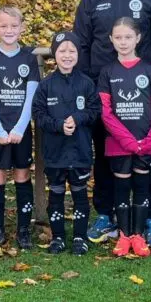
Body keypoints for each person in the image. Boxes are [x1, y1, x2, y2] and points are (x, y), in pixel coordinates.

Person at [73, 0, 151, 247]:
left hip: (143, 94)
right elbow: (82, 45)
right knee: (105, 156)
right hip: (105, 93)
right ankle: (106, 215)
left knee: (145, 153)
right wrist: (88, 91)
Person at [97, 17, 151, 258]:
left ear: (138, 38)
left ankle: (138, 234)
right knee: (121, 186)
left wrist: (150, 140)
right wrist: (127, 140)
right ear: (111, 40)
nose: (123, 42)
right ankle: (124, 234)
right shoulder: (107, 72)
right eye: (118, 37)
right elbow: (105, 112)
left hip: (145, 144)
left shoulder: (149, 71)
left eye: (128, 37)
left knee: (142, 187)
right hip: (118, 143)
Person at [32, 31, 100, 256]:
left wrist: (78, 119)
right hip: (55, 152)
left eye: (72, 51)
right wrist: (58, 124)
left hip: (79, 151)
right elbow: (39, 115)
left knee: (80, 193)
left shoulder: (87, 83)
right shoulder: (46, 85)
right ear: (55, 54)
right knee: (57, 194)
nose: (67, 55)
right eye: (62, 51)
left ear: (78, 54)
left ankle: (80, 237)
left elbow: (95, 111)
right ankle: (58, 237)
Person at [0, 6, 40, 249]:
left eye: (14, 26)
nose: (8, 30)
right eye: (3, 26)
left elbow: (31, 98)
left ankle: (23, 229)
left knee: (22, 175)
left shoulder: (29, 58)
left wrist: (20, 128)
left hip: (20, 130)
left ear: (22, 28)